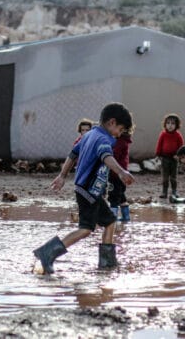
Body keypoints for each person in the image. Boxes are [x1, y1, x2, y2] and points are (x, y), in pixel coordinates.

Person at [34, 102, 134, 274]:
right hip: (89, 191)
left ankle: (107, 264)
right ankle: (47, 254)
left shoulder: (89, 134)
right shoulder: (103, 139)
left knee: (110, 222)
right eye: (120, 130)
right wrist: (121, 171)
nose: (119, 135)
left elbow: (72, 154)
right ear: (112, 123)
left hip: (87, 190)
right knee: (86, 229)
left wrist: (63, 175)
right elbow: (106, 157)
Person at [154, 113, 184, 199]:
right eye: (168, 123)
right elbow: (159, 145)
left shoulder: (178, 136)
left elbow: (181, 147)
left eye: (173, 123)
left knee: (173, 177)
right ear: (165, 124)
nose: (170, 125)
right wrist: (158, 155)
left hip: (174, 159)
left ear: (177, 125)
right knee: (165, 177)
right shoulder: (163, 134)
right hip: (164, 158)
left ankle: (174, 191)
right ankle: (164, 191)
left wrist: (179, 156)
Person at [108, 129, 133, 222]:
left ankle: (112, 218)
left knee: (113, 196)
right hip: (121, 174)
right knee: (121, 195)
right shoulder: (123, 141)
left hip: (116, 174)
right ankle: (125, 217)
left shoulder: (120, 142)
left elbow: (113, 156)